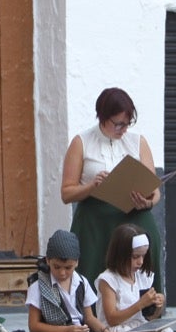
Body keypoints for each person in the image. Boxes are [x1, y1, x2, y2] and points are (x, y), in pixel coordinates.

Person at [61, 87, 163, 293]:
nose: (123, 129)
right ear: (103, 117)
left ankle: (147, 308)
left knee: (149, 237)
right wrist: (92, 186)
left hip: (133, 213)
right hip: (96, 217)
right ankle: (91, 314)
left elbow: (154, 189)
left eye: (127, 124)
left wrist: (149, 202)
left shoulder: (138, 141)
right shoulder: (82, 142)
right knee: (92, 265)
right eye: (118, 124)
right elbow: (66, 193)